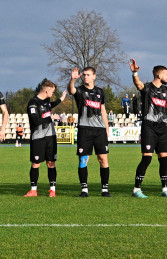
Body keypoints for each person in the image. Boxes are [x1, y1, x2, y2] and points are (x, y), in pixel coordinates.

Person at [130, 60, 167, 197]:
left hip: (162, 127)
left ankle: (165, 189)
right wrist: (135, 72)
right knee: (147, 158)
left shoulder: (166, 90)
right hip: (149, 126)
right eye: (166, 74)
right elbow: (138, 83)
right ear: (159, 75)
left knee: (163, 159)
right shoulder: (147, 88)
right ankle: (136, 189)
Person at [69, 66, 112, 197]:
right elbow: (71, 90)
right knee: (83, 159)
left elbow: (103, 110)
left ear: (94, 76)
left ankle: (105, 189)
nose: (85, 77)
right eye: (84, 75)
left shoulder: (100, 91)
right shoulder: (80, 90)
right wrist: (72, 80)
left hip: (99, 130)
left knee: (103, 159)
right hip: (84, 129)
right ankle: (84, 189)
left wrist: (107, 128)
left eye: (88, 75)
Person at [25, 79, 65, 197]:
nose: (53, 94)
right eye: (52, 92)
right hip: (38, 137)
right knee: (36, 163)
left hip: (50, 136)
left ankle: (52, 190)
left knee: (51, 162)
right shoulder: (33, 103)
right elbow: (36, 120)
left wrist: (61, 100)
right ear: (47, 91)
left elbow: (50, 105)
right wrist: (51, 117)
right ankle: (33, 190)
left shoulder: (47, 101)